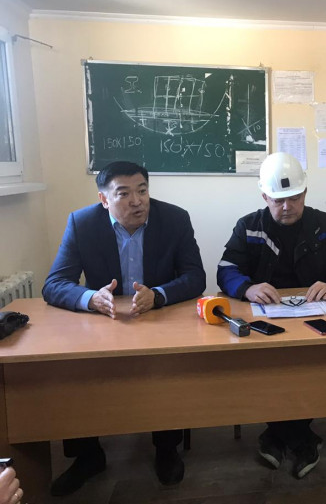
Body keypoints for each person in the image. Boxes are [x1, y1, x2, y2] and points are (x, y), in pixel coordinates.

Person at [42, 161, 206, 496]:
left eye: (142, 191)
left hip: (158, 320)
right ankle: (88, 456)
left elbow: (195, 277)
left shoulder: (174, 219)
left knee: (168, 367)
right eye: (124, 194)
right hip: (105, 323)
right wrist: (90, 298)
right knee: (73, 369)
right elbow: (54, 283)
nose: (137, 201)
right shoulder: (82, 223)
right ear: (104, 200)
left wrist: (158, 295)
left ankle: (166, 448)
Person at [217, 152, 326, 478]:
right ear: (264, 196)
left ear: (305, 193)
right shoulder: (248, 226)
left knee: (312, 365)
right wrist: (247, 288)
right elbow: (226, 270)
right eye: (278, 200)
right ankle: (301, 438)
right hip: (263, 321)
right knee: (270, 366)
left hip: (314, 317)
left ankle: (277, 436)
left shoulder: (324, 223)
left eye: (294, 198)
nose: (287, 206)